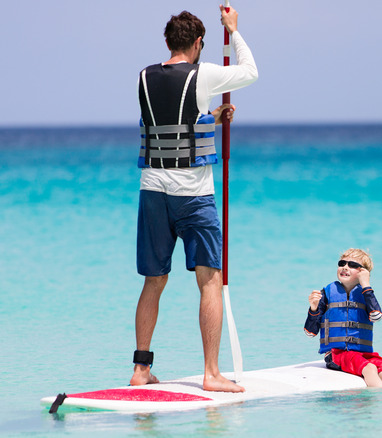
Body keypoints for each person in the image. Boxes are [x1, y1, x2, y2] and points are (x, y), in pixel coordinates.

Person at [130, 6, 257, 393]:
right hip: (193, 194)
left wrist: (212, 119)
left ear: (167, 42)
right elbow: (250, 71)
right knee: (209, 281)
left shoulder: (144, 76)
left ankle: (140, 370)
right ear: (199, 43)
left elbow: (172, 123)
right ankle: (211, 373)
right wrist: (233, 31)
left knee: (154, 280)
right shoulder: (204, 74)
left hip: (152, 189)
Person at [304, 249, 382, 387]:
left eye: (353, 265)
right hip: (336, 354)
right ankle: (374, 405)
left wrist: (366, 284)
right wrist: (313, 308)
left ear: (363, 272)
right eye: (342, 263)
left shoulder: (366, 294)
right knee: (370, 369)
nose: (345, 267)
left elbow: (376, 316)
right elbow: (310, 332)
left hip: (363, 354)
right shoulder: (327, 293)